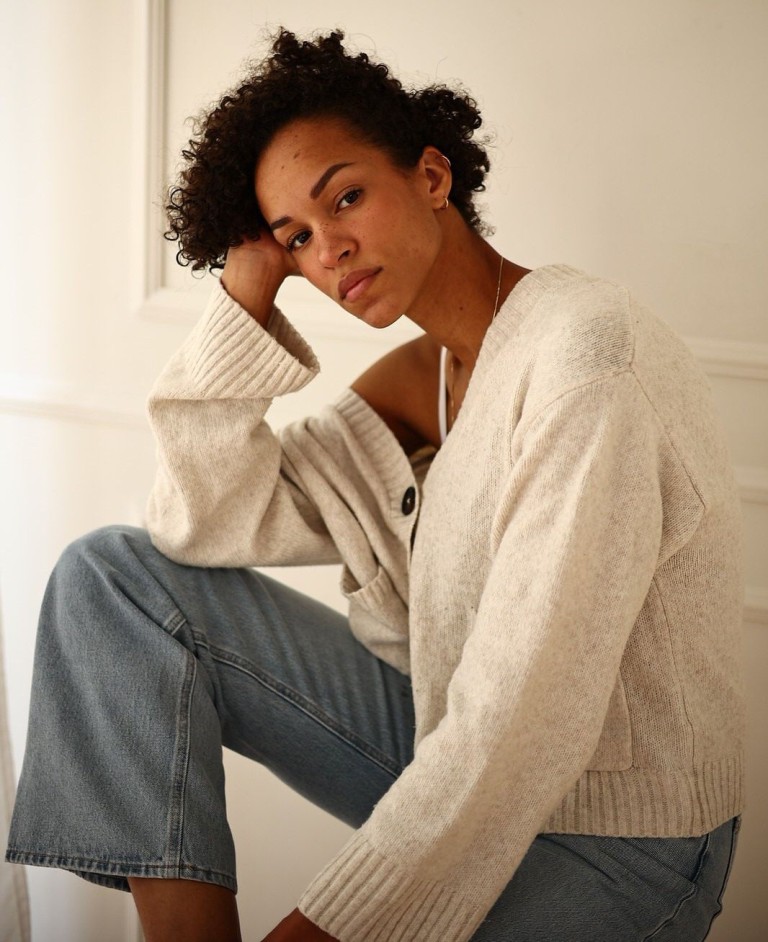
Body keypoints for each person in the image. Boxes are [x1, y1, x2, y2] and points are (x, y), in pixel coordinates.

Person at [5, 28, 745, 942]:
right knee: (112, 580)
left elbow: (522, 723)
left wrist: (320, 929)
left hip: (618, 836)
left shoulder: (587, 358)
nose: (331, 251)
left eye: (346, 197)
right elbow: (204, 522)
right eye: (296, 237)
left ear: (432, 176)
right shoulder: (420, 379)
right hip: (455, 744)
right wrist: (245, 294)